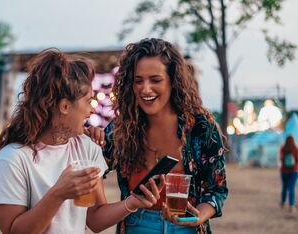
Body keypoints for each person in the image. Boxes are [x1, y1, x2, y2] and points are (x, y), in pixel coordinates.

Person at [0, 49, 164, 234]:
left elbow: (94, 218)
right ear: (64, 106)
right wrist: (58, 193)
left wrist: (133, 202)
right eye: (88, 101)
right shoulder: (13, 159)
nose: (92, 110)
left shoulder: (87, 148)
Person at [87, 38, 228, 234]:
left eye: (155, 80)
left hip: (186, 227)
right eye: (138, 81)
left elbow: (217, 190)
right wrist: (90, 145)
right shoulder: (119, 130)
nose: (145, 89)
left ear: (173, 81)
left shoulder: (201, 128)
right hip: (136, 225)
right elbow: (89, 177)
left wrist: (197, 217)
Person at [279, 135, 298, 213]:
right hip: (294, 171)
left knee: (284, 187)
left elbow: (281, 159)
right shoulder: (295, 149)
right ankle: (291, 206)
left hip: (284, 171)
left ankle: (283, 203)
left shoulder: (283, 149)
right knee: (291, 188)